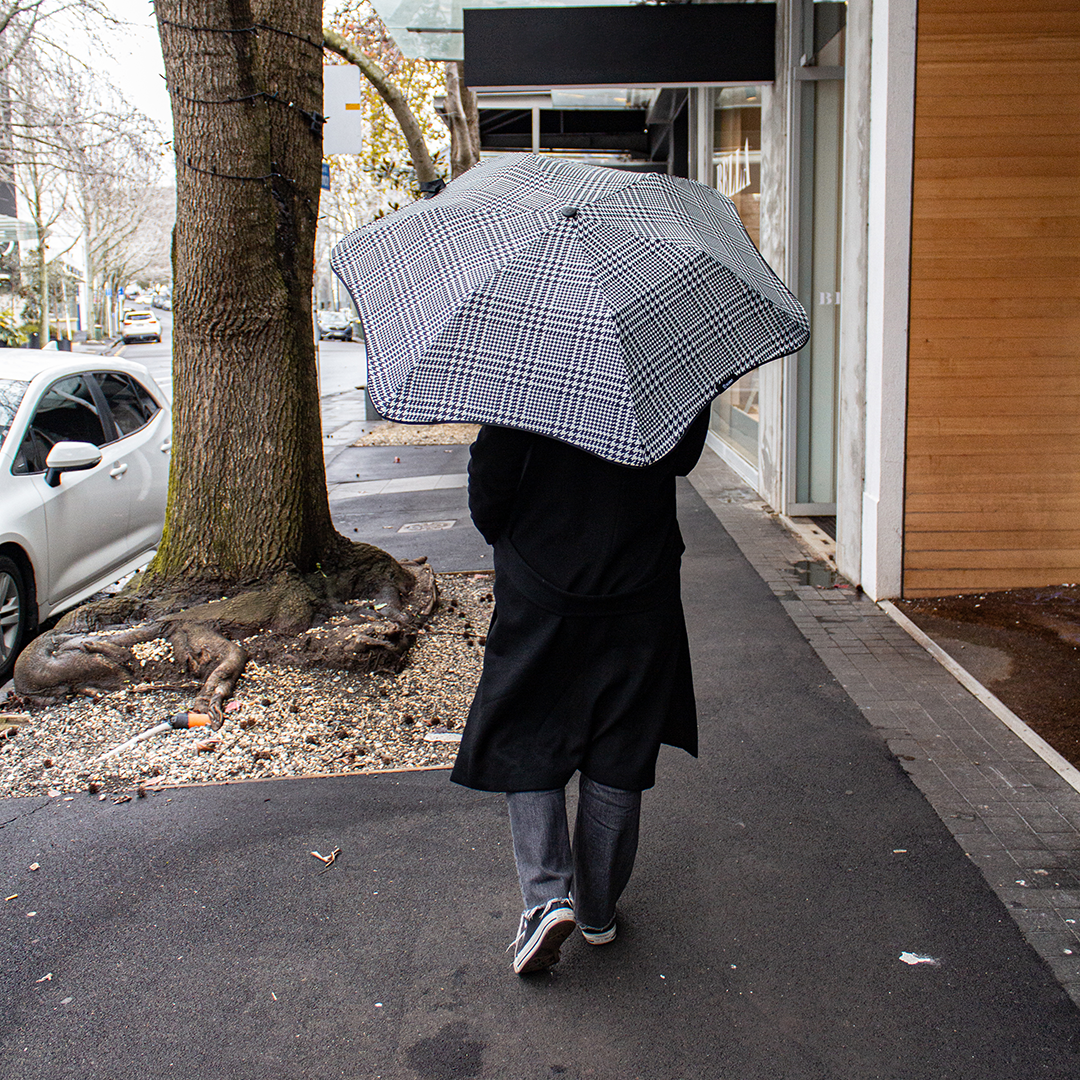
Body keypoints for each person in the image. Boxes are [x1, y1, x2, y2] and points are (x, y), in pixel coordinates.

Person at [451, 407, 710, 975]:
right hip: (642, 580)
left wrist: (511, 543)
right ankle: (596, 908)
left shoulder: (528, 360)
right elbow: (683, 457)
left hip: (543, 582)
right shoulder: (662, 359)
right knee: (623, 736)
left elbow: (491, 473)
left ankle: (547, 898)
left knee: (529, 729)